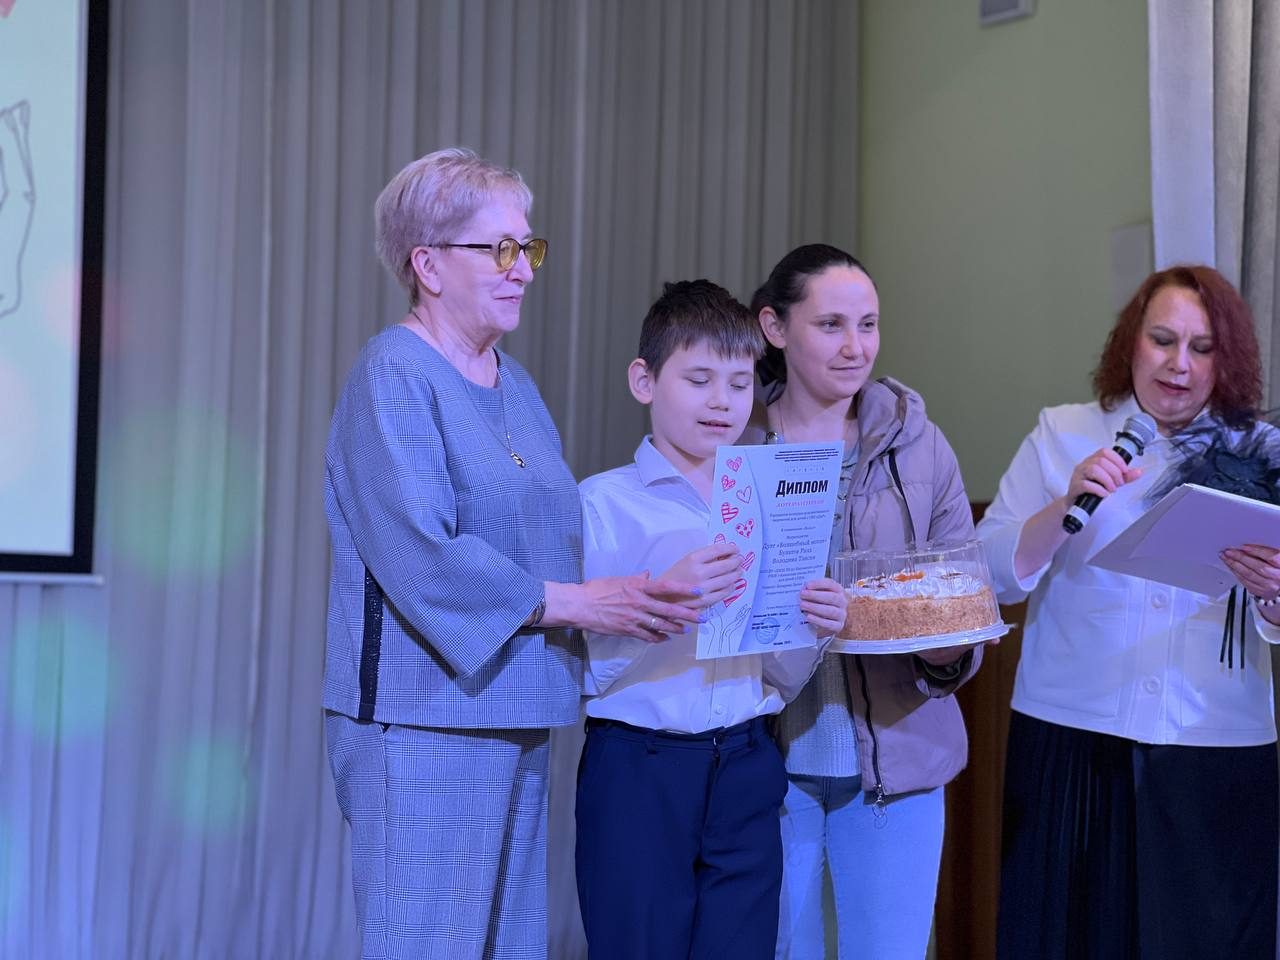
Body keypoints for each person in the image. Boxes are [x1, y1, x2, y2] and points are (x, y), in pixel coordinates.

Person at [323, 147, 699, 960]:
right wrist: (577, 603)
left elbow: (551, 536)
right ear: (427, 264)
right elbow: (420, 550)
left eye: (528, 247)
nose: (523, 269)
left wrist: (642, 587)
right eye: (499, 248)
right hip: (423, 719)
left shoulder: (516, 383)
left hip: (521, 706)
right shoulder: (392, 373)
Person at [977, 265, 1280, 959]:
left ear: (1226, 360)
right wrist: (1066, 504)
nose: (1179, 364)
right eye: (1163, 340)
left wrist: (1273, 591)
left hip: (1213, 747)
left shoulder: (1262, 452)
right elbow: (989, 574)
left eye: (1202, 348)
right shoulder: (1062, 433)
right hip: (1071, 738)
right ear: (1130, 343)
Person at [574, 279, 848, 960]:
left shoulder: (772, 496)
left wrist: (814, 628)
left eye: (740, 382)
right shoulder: (602, 504)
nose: (723, 401)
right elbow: (583, 668)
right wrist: (665, 602)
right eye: (699, 380)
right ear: (644, 381)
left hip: (748, 758)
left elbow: (778, 674)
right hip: (640, 767)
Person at [740, 244, 983, 960]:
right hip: (762, 765)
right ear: (775, 328)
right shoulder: (735, 437)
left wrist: (946, 648)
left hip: (899, 764)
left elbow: (960, 600)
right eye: (831, 325)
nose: (856, 347)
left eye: (868, 324)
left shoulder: (920, 446)